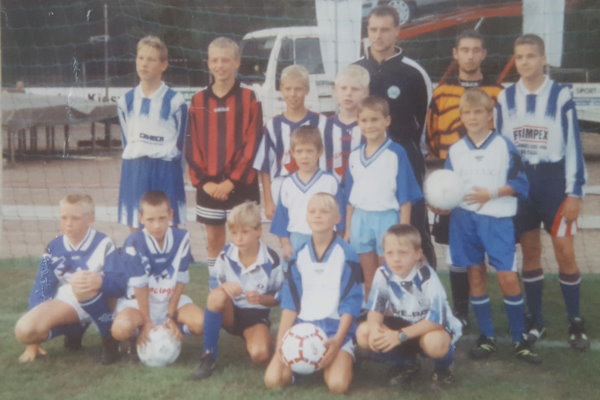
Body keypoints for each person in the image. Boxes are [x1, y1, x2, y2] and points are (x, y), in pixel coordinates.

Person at [496, 34, 589, 350]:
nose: (525, 62)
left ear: (543, 58)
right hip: (521, 184)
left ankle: (575, 320)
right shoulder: (505, 98)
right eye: (519, 56)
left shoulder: (561, 95)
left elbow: (574, 146)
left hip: (554, 183)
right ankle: (536, 320)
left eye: (531, 56)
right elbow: (499, 148)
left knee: (565, 251)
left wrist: (574, 192)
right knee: (530, 251)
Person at [439, 88, 540, 364]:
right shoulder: (456, 150)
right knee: (475, 274)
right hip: (464, 220)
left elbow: (522, 185)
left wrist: (491, 194)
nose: (473, 117)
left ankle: (520, 338)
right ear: (461, 116)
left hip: (497, 219)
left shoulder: (504, 146)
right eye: (467, 112)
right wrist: (441, 201)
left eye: (479, 112)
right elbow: (447, 187)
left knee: (507, 276)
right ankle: (487, 336)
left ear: (489, 116)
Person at [426, 30, 504, 327]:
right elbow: (433, 143)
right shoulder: (441, 92)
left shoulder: (498, 92)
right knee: (456, 253)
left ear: (484, 54)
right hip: (451, 189)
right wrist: (439, 189)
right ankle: (461, 311)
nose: (470, 55)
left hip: (485, 187)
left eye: (476, 50)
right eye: (465, 50)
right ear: (455, 54)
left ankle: (492, 307)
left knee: (487, 252)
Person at [355, 5, 435, 268]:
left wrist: (413, 157)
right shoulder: (355, 71)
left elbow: (423, 125)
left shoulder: (414, 73)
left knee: (413, 228)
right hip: (367, 162)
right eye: (373, 30)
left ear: (398, 31)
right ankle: (375, 299)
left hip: (405, 160)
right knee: (371, 234)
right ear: (367, 31)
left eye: (385, 30)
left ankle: (425, 297)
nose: (378, 36)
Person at [264, 193, 363, 394]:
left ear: (337, 219)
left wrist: (338, 340)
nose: (318, 216)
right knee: (273, 380)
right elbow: (290, 305)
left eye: (325, 211)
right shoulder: (298, 256)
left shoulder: (347, 255)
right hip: (303, 331)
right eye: (313, 211)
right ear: (307, 217)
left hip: (335, 332)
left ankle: (344, 357)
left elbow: (351, 305)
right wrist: (280, 344)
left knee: (337, 385)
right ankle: (305, 362)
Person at [186, 37, 263, 284]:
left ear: (237, 63)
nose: (220, 66)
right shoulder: (198, 101)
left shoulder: (250, 98)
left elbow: (253, 143)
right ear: (208, 63)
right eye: (215, 60)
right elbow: (192, 144)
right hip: (209, 185)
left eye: (226, 60)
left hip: (241, 185)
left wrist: (232, 181)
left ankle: (247, 281)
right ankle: (215, 281)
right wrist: (204, 182)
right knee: (213, 239)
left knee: (245, 236)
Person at [14, 194, 120, 364]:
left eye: (75, 218)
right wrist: (33, 338)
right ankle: (75, 328)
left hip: (102, 298)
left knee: (83, 283)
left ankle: (109, 339)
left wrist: (100, 282)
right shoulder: (53, 246)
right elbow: (42, 287)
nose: (68, 223)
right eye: (64, 217)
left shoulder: (104, 243)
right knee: (25, 330)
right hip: (72, 299)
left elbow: (120, 284)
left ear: (90, 219)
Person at [356, 224, 462, 388]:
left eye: (403, 253)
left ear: (417, 254)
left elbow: (436, 321)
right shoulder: (383, 273)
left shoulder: (427, 276)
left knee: (435, 343)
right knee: (364, 333)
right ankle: (407, 363)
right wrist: (375, 329)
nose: (396, 259)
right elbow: (375, 310)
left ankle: (444, 368)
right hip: (402, 325)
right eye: (390, 253)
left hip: (430, 328)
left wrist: (399, 336)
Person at [191, 201, 284, 380]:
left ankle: (264, 341)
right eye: (234, 233)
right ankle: (208, 355)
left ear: (258, 231)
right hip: (229, 313)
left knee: (260, 355)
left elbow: (279, 297)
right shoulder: (226, 254)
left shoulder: (271, 260)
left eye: (245, 232)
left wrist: (262, 299)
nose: (238, 238)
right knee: (217, 296)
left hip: (255, 316)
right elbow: (213, 287)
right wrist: (224, 287)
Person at [345, 96, 422, 297]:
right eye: (364, 120)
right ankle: (373, 318)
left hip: (387, 218)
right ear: (358, 122)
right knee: (369, 279)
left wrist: (403, 230)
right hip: (360, 219)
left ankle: (393, 317)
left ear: (386, 121)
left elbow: (406, 196)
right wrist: (347, 229)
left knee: (389, 274)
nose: (369, 125)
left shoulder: (396, 153)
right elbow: (350, 198)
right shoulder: (354, 155)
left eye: (374, 119)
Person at [111, 191, 204, 355]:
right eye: (150, 220)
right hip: (140, 304)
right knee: (120, 329)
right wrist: (147, 321)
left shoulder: (182, 238)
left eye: (162, 218)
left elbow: (180, 280)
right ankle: (137, 335)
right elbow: (140, 286)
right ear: (141, 218)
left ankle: (170, 330)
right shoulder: (134, 242)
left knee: (202, 324)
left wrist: (170, 315)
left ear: (170, 214)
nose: (157, 225)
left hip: (169, 302)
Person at [117, 36, 187, 229]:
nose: (144, 64)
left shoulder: (175, 101)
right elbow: (127, 140)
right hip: (136, 168)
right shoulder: (125, 101)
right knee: (136, 224)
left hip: (165, 168)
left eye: (151, 59)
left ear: (163, 65)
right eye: (140, 58)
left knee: (168, 225)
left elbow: (181, 142)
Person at [253, 64, 328, 219]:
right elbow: (265, 167)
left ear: (307, 90)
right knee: (287, 237)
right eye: (288, 89)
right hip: (283, 187)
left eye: (298, 89)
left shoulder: (322, 122)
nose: (293, 94)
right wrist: (268, 201)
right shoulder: (273, 125)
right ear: (281, 89)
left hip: (315, 186)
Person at [270, 126, 340, 259]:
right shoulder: (287, 184)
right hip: (297, 239)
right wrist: (286, 245)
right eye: (300, 151)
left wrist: (339, 241)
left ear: (319, 152)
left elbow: (340, 217)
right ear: (292, 153)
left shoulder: (329, 181)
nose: (304, 156)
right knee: (298, 277)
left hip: (326, 239)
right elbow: (281, 218)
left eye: (309, 151)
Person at [324, 64, 370, 184]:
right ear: (335, 91)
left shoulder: (371, 127)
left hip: (361, 190)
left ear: (365, 93)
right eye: (343, 88)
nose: (348, 93)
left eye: (355, 89)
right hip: (330, 191)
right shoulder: (323, 126)